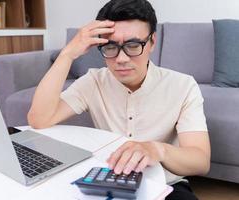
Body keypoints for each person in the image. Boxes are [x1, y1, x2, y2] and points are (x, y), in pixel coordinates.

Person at [28, 0, 210, 199]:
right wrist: (67, 54)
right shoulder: (93, 81)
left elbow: (200, 161)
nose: (121, 59)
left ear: (152, 42)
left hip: (167, 183)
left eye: (133, 45)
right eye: (111, 46)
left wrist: (158, 150)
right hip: (107, 180)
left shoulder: (183, 86)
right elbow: (39, 119)